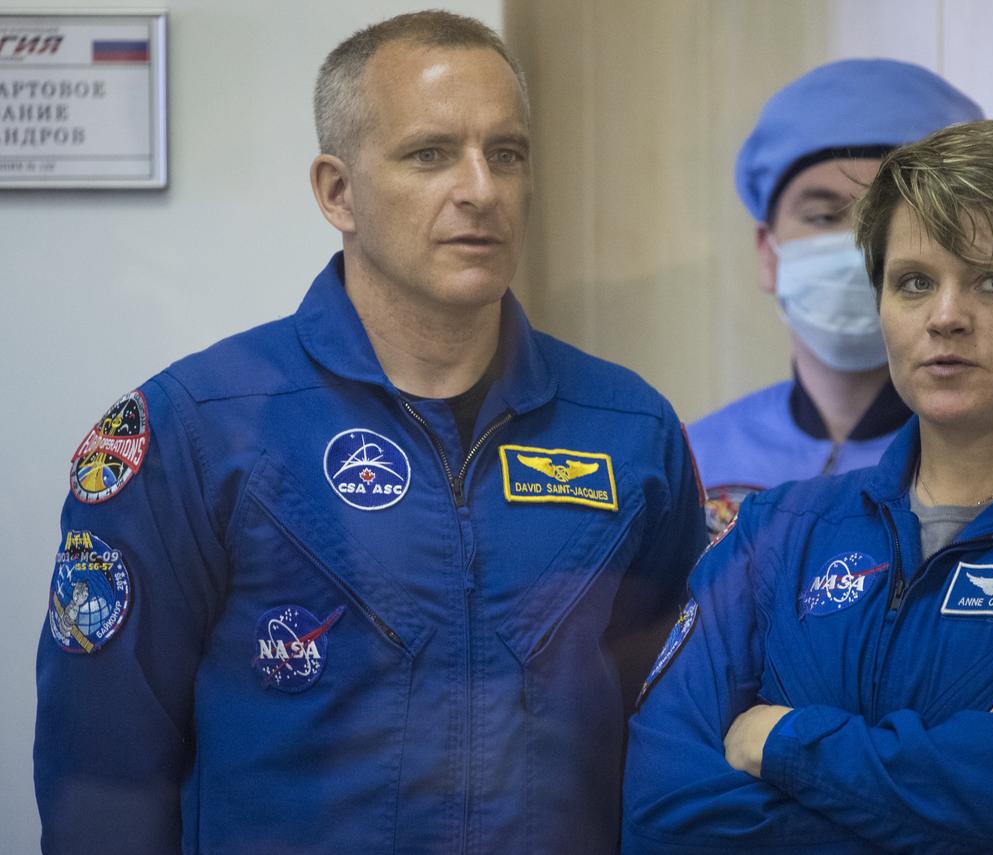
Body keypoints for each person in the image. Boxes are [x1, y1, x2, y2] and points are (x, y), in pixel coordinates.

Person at [34, 11, 705, 854]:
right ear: (337, 191)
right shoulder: (196, 432)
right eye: (430, 154)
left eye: (507, 153)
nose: (481, 189)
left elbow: (676, 742)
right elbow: (103, 776)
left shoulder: (629, 430)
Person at [623, 120, 993, 853]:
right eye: (914, 282)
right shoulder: (777, 531)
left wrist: (780, 738)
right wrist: (966, 750)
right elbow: (663, 810)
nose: (945, 316)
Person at [690, 58, 993, 532]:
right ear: (767, 253)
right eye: (823, 216)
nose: (861, 249)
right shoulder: (693, 460)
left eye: (992, 279)